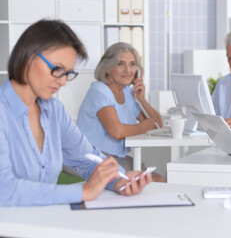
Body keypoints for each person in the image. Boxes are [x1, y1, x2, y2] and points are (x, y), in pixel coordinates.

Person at [0, 20, 152, 206]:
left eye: (68, 73)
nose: (63, 82)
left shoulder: (54, 112)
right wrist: (84, 191)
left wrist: (119, 180)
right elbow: (4, 189)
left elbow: (88, 159)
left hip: (44, 224)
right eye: (57, 69)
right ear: (28, 59)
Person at [77, 42, 164, 181]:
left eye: (132, 64)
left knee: (159, 178)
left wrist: (142, 99)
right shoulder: (99, 91)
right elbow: (117, 131)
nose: (128, 70)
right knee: (155, 181)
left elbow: (158, 125)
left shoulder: (127, 92)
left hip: (115, 157)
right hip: (93, 157)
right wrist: (144, 127)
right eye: (121, 64)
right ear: (107, 69)